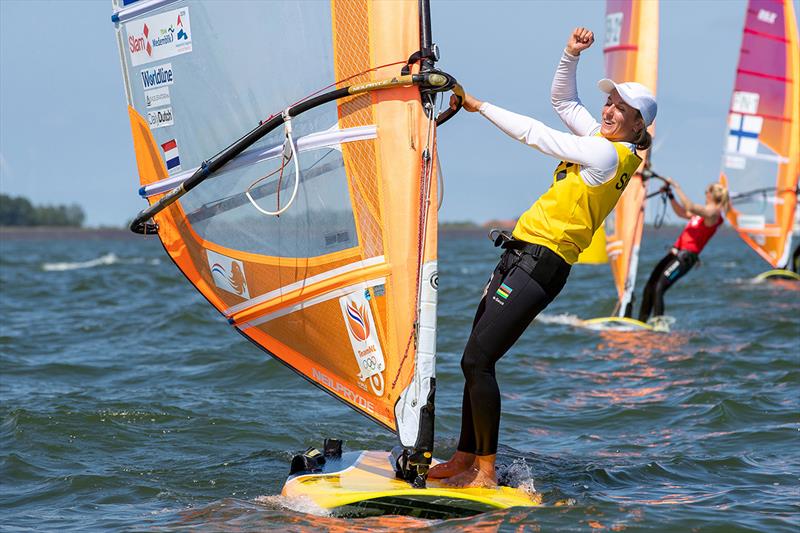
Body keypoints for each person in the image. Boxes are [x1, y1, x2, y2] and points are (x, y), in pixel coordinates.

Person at [428, 27, 657, 488]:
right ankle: (464, 458)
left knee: (478, 361)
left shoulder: (605, 154)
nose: (609, 111)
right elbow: (564, 103)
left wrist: (480, 106)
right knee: (473, 359)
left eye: (622, 110)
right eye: (610, 103)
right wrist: (570, 55)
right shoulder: (605, 141)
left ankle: (485, 471)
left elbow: (537, 133)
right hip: (520, 257)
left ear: (638, 126)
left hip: (540, 265)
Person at [637, 180, 728, 325]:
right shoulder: (701, 214)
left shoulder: (713, 214)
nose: (704, 194)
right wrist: (670, 195)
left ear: (711, 195)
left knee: (659, 287)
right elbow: (681, 212)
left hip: (685, 258)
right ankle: (640, 323)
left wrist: (677, 186)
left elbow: (690, 206)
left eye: (706, 192)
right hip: (675, 254)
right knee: (650, 285)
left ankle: (659, 325)